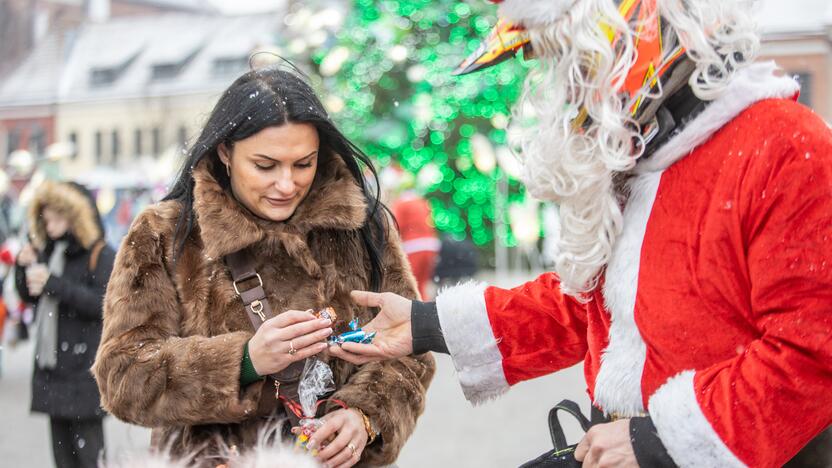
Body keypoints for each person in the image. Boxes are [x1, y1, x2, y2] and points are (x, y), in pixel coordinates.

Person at [331, 0, 832, 467]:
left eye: (570, 61)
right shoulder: (639, 159)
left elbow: (812, 356)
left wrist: (657, 441)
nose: (564, 89)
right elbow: (585, 307)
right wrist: (425, 323)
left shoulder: (784, 147)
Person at [92, 65, 435, 468]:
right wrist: (244, 361)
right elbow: (122, 376)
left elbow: (410, 351)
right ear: (225, 151)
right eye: (265, 166)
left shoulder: (362, 225)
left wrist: (364, 416)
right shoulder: (164, 233)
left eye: (303, 164)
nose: (287, 184)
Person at [15, 180, 115, 468]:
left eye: (57, 218)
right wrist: (24, 269)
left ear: (74, 218)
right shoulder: (51, 250)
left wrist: (53, 284)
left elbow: (103, 304)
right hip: (54, 371)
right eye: (46, 219)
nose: (49, 226)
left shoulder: (100, 254)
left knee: (90, 458)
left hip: (84, 372)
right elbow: (30, 297)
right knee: (62, 459)